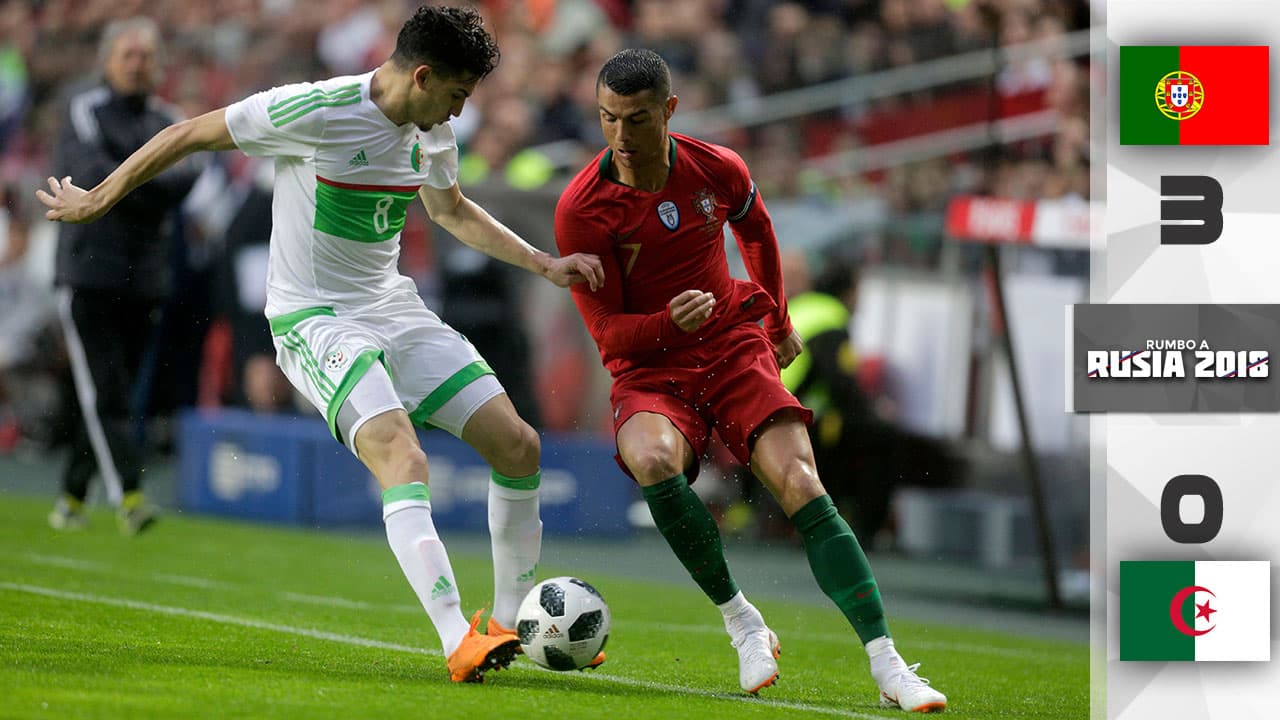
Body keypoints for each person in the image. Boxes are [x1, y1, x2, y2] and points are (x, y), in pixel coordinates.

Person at [38, 5, 604, 685]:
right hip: (315, 319)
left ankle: (507, 624)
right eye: (456, 94)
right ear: (422, 77)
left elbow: (450, 209)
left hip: (394, 308)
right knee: (402, 455)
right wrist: (99, 197)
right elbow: (189, 132)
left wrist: (543, 262)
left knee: (519, 445)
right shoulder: (318, 109)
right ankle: (457, 636)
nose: (459, 110)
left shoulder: (433, 129)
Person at [554, 49, 947, 712]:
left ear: (669, 111)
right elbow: (608, 334)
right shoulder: (583, 209)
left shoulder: (717, 167)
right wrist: (667, 324)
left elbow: (757, 231)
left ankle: (888, 665)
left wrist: (779, 320)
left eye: (637, 119)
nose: (620, 135)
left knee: (801, 483)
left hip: (732, 345)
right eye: (607, 118)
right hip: (651, 368)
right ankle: (742, 621)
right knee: (651, 460)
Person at [47, 17, 201, 535]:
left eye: (145, 56)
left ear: (159, 65)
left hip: (145, 278)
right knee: (106, 392)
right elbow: (87, 173)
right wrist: (144, 184)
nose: (137, 64)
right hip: (88, 273)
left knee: (114, 393)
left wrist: (118, 187)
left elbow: (186, 179)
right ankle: (129, 496)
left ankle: (72, 497)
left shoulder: (170, 118)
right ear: (107, 62)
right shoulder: (84, 109)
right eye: (127, 55)